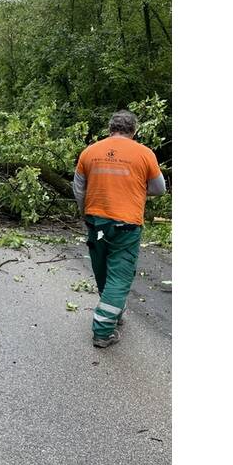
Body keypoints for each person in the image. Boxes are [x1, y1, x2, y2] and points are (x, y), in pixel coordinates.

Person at [73, 110, 166, 348]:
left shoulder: (89, 152)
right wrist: (134, 188)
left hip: (97, 224)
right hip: (126, 226)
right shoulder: (144, 154)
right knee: (119, 276)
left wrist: (85, 213)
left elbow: (79, 189)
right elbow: (159, 189)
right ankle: (103, 331)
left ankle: (114, 310)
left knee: (102, 268)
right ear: (134, 131)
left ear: (109, 129)